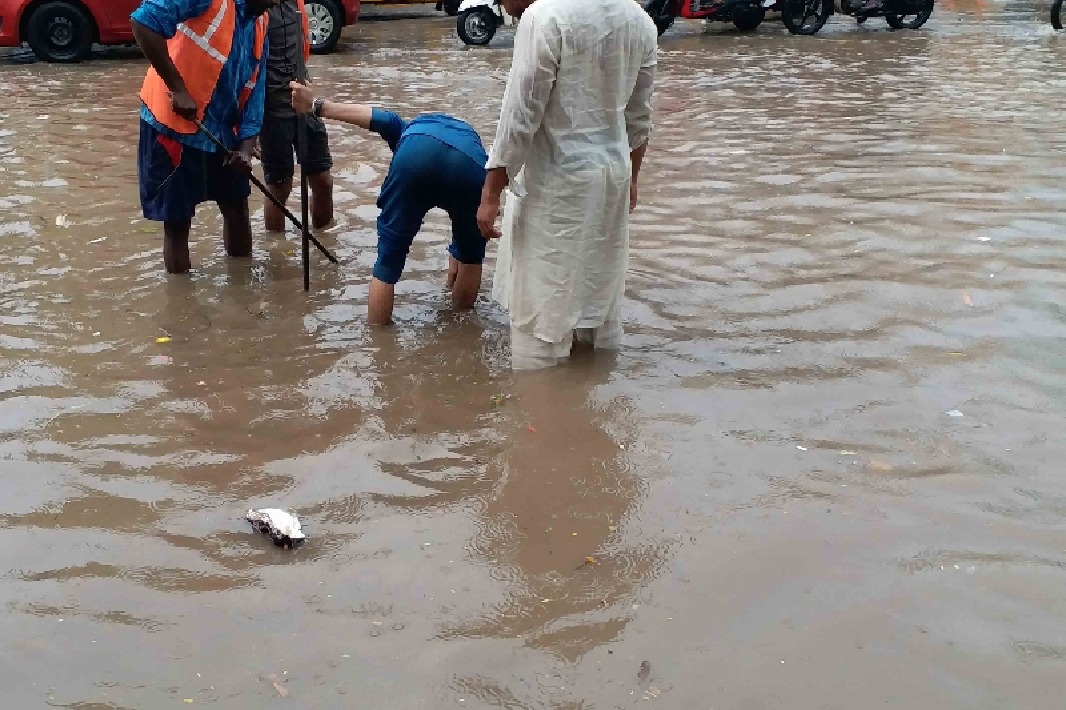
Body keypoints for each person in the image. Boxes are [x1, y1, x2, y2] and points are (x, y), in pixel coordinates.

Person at [476, 0, 658, 370]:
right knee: (597, 292)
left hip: (556, 183)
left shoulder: (545, 16)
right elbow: (639, 119)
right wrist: (633, 180)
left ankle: (544, 407)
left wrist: (491, 192)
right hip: (611, 176)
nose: (506, 8)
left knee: (544, 313)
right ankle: (590, 401)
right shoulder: (639, 20)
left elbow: (520, 113)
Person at [289, 81, 488, 326]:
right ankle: (459, 331)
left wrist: (316, 107)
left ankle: (379, 345)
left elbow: (375, 117)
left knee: (389, 260)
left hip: (414, 154)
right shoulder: (466, 137)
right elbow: (463, 244)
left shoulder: (408, 129)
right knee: (470, 252)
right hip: (472, 164)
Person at [131, 0, 278, 274]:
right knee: (177, 223)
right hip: (173, 125)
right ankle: (182, 304)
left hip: (222, 131)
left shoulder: (261, 21)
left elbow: (255, 89)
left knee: (237, 211)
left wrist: (246, 148)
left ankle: (242, 291)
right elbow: (143, 22)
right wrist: (178, 88)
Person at [259, 0, 334, 233]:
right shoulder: (254, 7)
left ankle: (324, 240)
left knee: (322, 180)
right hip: (272, 109)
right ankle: (276, 254)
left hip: (304, 103)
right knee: (279, 187)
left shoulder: (297, 4)